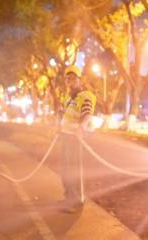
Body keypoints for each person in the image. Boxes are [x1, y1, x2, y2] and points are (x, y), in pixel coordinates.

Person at [58, 65, 96, 213]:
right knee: (65, 169)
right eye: (67, 79)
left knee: (74, 170)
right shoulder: (69, 98)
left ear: (79, 80)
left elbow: (87, 114)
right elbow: (66, 115)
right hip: (65, 136)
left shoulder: (86, 95)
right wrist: (59, 127)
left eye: (73, 79)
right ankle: (69, 197)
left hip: (76, 138)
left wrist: (81, 127)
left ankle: (76, 202)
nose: (70, 82)